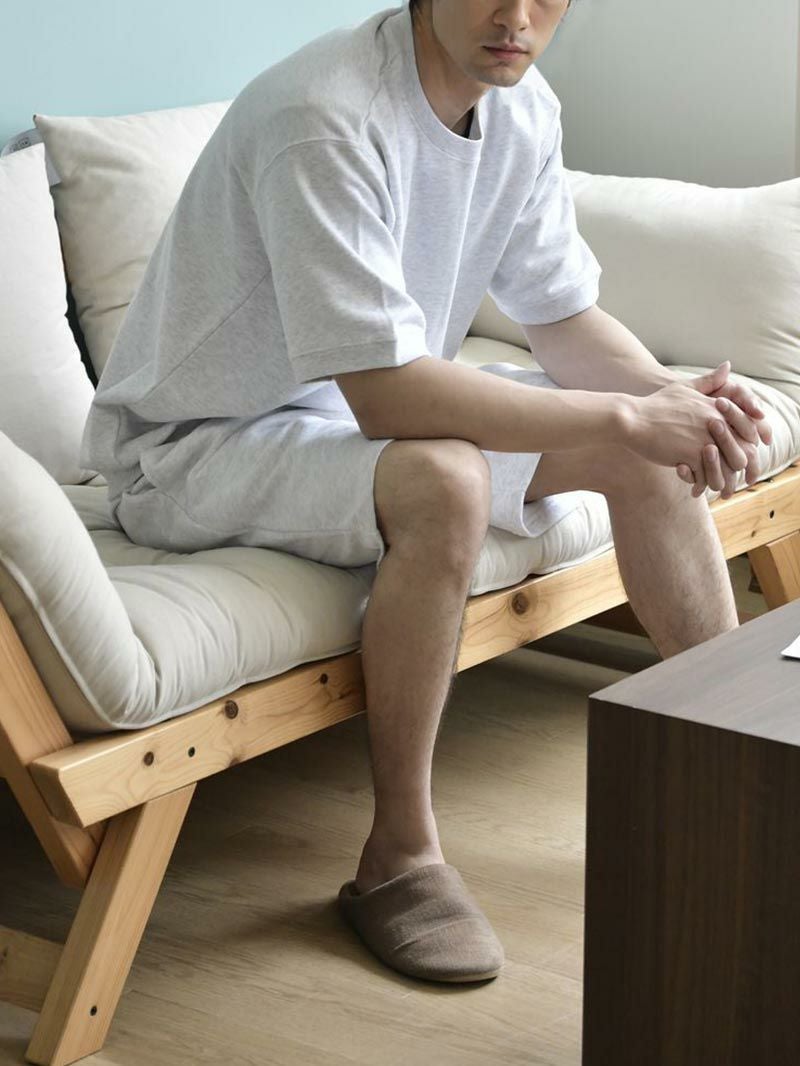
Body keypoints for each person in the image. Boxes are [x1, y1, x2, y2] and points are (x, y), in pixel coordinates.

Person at [81, 0, 772, 984]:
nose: (516, 16)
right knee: (446, 479)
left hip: (346, 418)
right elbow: (387, 396)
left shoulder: (521, 105)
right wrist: (623, 416)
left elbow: (562, 318)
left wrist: (674, 400)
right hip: (196, 446)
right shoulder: (324, 117)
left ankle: (750, 780)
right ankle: (398, 857)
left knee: (652, 450)